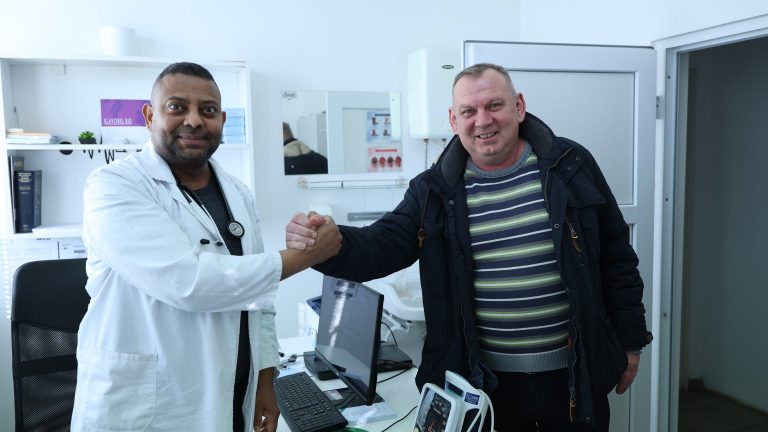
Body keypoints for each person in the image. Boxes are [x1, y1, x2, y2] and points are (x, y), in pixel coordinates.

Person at [286, 63, 652, 431]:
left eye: (494, 105)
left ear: (519, 106)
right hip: (484, 388)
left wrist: (631, 342)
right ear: (453, 119)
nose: (483, 120)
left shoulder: (570, 166)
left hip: (573, 378)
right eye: (469, 111)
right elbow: (380, 245)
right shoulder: (433, 192)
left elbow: (617, 258)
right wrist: (325, 242)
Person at [71, 62, 340, 432]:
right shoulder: (114, 186)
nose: (195, 120)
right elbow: (188, 282)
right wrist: (307, 255)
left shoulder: (238, 194)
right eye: (177, 107)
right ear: (149, 116)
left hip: (230, 395)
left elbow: (259, 300)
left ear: (222, 121)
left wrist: (266, 378)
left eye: (208, 110)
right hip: (148, 405)